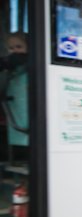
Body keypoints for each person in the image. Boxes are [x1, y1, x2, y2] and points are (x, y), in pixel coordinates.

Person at [1, 32, 29, 161]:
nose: (14, 51)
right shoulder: (11, 70)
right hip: (15, 122)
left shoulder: (33, 68)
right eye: (11, 48)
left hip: (28, 125)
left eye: (19, 47)